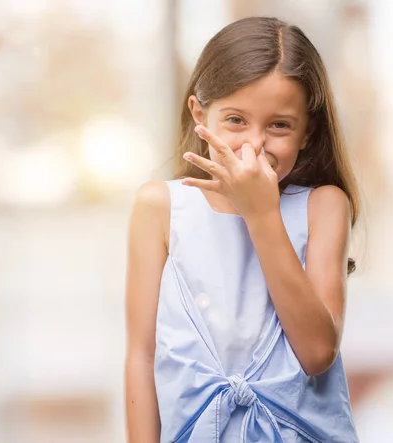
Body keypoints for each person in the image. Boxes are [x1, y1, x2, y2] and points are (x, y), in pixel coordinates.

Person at [125, 16, 360, 443]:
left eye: (279, 125)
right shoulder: (160, 206)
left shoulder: (324, 206)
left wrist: (261, 214)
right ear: (200, 113)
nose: (254, 144)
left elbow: (316, 353)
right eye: (235, 120)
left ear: (307, 132)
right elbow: (142, 356)